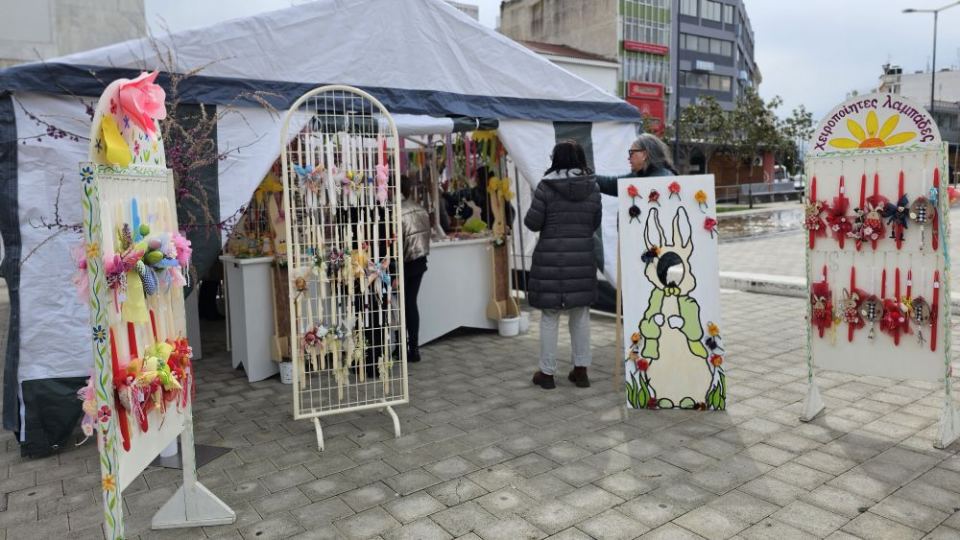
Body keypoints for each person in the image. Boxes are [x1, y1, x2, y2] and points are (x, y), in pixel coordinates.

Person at [523, 140, 602, 389]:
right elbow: (595, 222)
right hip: (582, 259)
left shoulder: (545, 187)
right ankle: (581, 371)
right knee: (580, 315)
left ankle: (547, 374)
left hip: (551, 260)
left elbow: (533, 223)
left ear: (556, 159)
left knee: (550, 316)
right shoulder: (593, 187)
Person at [400, 175, 431, 363]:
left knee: (404, 304)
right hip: (419, 261)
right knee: (411, 302)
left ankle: (405, 347)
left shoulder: (396, 211)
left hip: (404, 263)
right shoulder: (421, 209)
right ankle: (414, 347)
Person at [596, 133, 678, 196]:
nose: (629, 158)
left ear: (644, 155)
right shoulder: (641, 175)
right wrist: (589, 176)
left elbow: (610, 184)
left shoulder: (664, 179)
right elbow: (610, 184)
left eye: (632, 153)